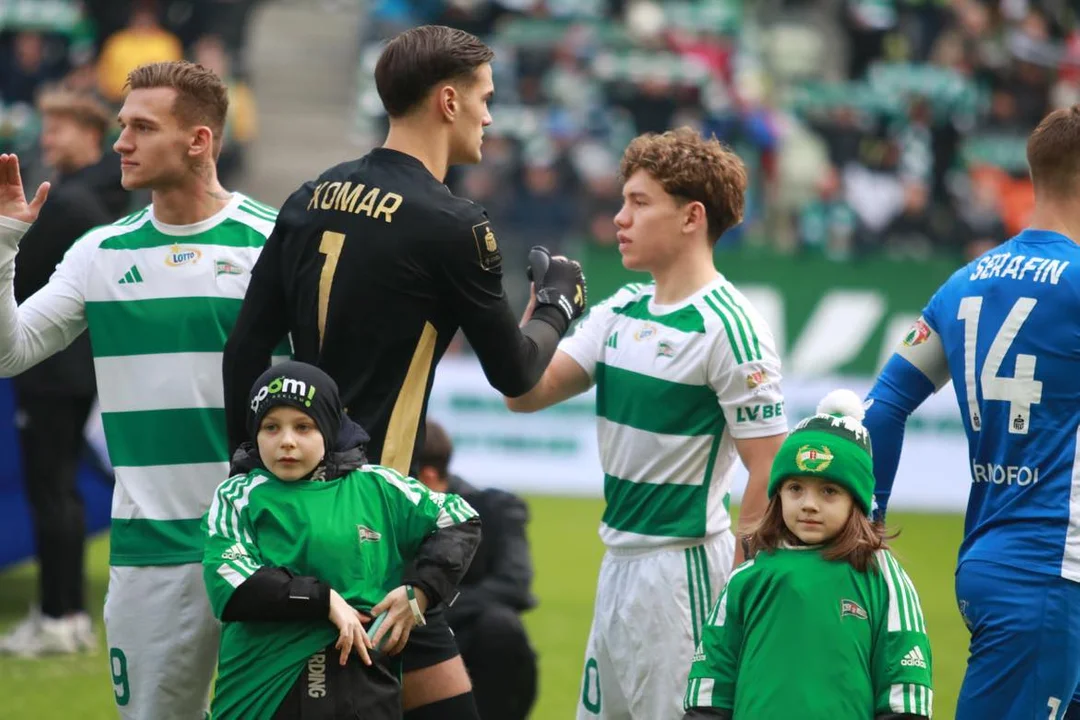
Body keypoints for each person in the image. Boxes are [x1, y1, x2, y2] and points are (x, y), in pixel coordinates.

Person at [220, 25, 586, 719]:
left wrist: (249, 466)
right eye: (485, 98)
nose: (490, 116)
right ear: (448, 101)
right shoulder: (454, 224)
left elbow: (244, 347)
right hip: (373, 523)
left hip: (295, 510)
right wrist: (558, 305)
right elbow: (516, 372)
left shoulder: (310, 196)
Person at [0, 61, 287, 719]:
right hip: (149, 551)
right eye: (122, 125)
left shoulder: (274, 242)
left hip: (268, 540)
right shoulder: (99, 252)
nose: (120, 142)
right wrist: (4, 246)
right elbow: (9, 353)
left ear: (199, 140)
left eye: (142, 127)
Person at [505, 127, 788, 720]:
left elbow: (769, 469)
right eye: (622, 202)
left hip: (683, 575)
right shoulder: (620, 310)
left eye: (639, 202)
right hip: (618, 567)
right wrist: (545, 314)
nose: (620, 218)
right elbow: (524, 394)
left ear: (691, 217)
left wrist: (736, 597)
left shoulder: (730, 328)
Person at [863, 104, 1080, 720]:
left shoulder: (963, 283)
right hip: (1049, 572)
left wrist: (869, 524)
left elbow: (881, 408)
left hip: (995, 555)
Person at [203, 361, 481, 719]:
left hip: (362, 688)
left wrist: (421, 592)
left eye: (303, 426)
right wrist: (323, 600)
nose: (286, 441)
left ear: (329, 427)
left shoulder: (378, 487)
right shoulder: (238, 494)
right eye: (271, 427)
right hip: (262, 691)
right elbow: (229, 582)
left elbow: (460, 519)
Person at [682, 390, 933, 720]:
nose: (809, 504)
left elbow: (905, 687)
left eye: (829, 491)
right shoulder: (749, 576)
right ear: (779, 495)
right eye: (795, 488)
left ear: (856, 500)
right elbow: (712, 683)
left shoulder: (880, 575)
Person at [0, 87, 126, 657]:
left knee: (50, 488)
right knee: (59, 488)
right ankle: (63, 611)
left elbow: (21, 277)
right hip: (74, 366)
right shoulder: (100, 195)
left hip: (52, 366)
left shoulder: (73, 202)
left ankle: (59, 615)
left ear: (91, 134)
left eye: (58, 130)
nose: (47, 140)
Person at [416, 420, 538, 720]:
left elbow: (514, 585)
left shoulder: (495, 510)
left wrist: (423, 607)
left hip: (466, 637)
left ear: (428, 476)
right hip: (398, 636)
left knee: (500, 626)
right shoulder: (375, 509)